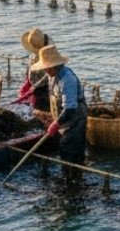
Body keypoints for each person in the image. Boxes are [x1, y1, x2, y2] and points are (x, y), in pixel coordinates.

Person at [34, 45, 86, 175]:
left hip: (75, 119)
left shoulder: (67, 79)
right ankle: (69, 174)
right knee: (65, 150)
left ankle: (73, 178)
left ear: (53, 66)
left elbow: (70, 108)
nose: (45, 70)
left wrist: (56, 124)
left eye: (46, 68)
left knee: (69, 150)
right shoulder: (52, 75)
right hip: (63, 118)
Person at [16, 28, 53, 110]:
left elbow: (49, 74)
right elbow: (29, 68)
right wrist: (28, 79)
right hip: (34, 84)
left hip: (44, 87)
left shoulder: (49, 56)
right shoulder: (33, 56)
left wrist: (36, 86)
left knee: (41, 104)